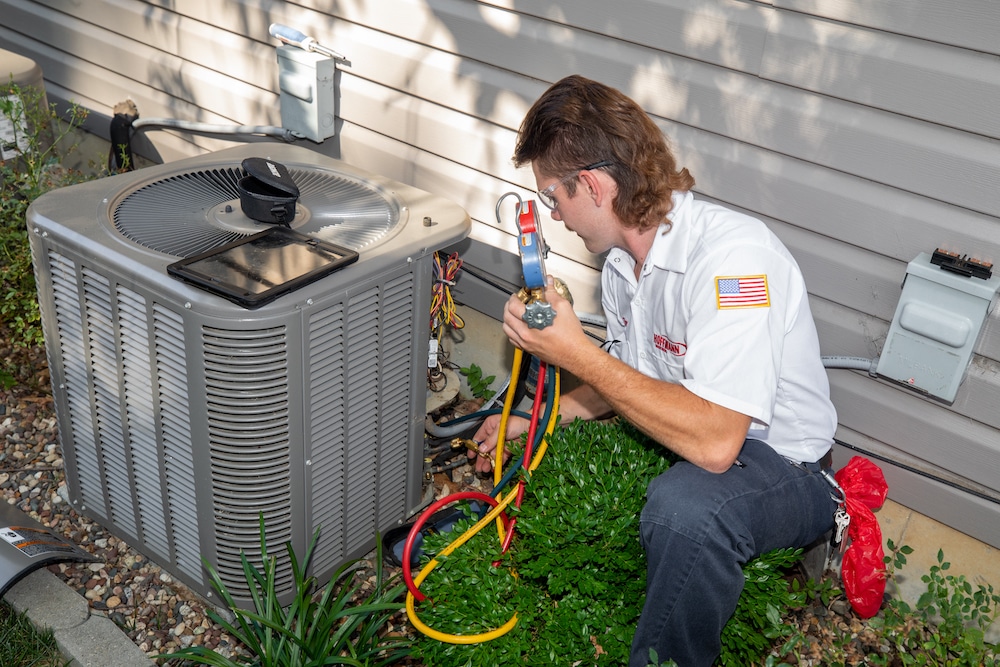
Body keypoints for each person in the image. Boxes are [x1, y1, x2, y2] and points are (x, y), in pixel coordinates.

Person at [471, 74, 839, 667]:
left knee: (688, 508)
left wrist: (574, 354)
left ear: (590, 184)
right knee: (574, 467)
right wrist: (538, 421)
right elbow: (627, 377)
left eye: (551, 197)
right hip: (701, 432)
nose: (554, 216)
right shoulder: (623, 265)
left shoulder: (733, 264)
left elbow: (719, 443)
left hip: (787, 466)